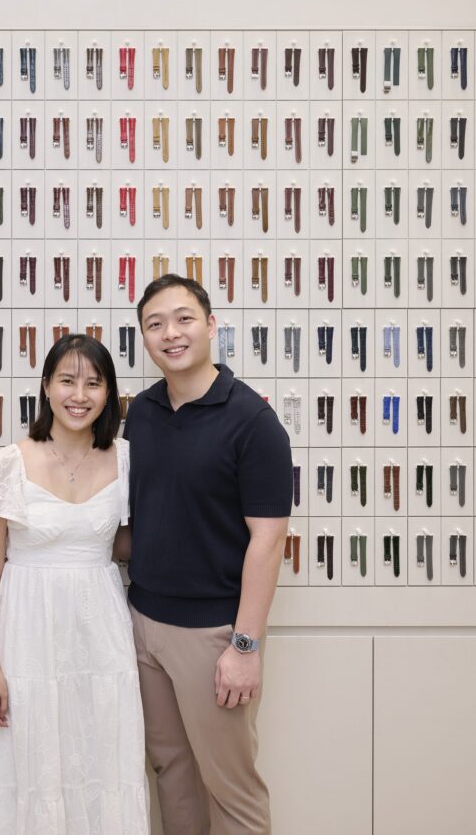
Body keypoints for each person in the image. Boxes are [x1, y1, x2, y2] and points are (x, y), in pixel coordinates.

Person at [123, 274, 293, 835]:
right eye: (155, 324)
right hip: (143, 624)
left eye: (184, 319)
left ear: (211, 325)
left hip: (213, 635)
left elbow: (268, 540)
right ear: (144, 338)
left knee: (231, 789)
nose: (170, 333)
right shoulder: (142, 413)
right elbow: (144, 516)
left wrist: (245, 646)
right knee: (171, 774)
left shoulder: (253, 422)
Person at [0, 333, 150, 835]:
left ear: (109, 394)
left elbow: (133, 543)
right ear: (46, 387)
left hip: (102, 637)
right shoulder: (7, 464)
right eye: (67, 380)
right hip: (29, 638)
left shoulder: (127, 460)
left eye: (93, 383)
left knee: (104, 759)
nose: (79, 395)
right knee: (31, 765)